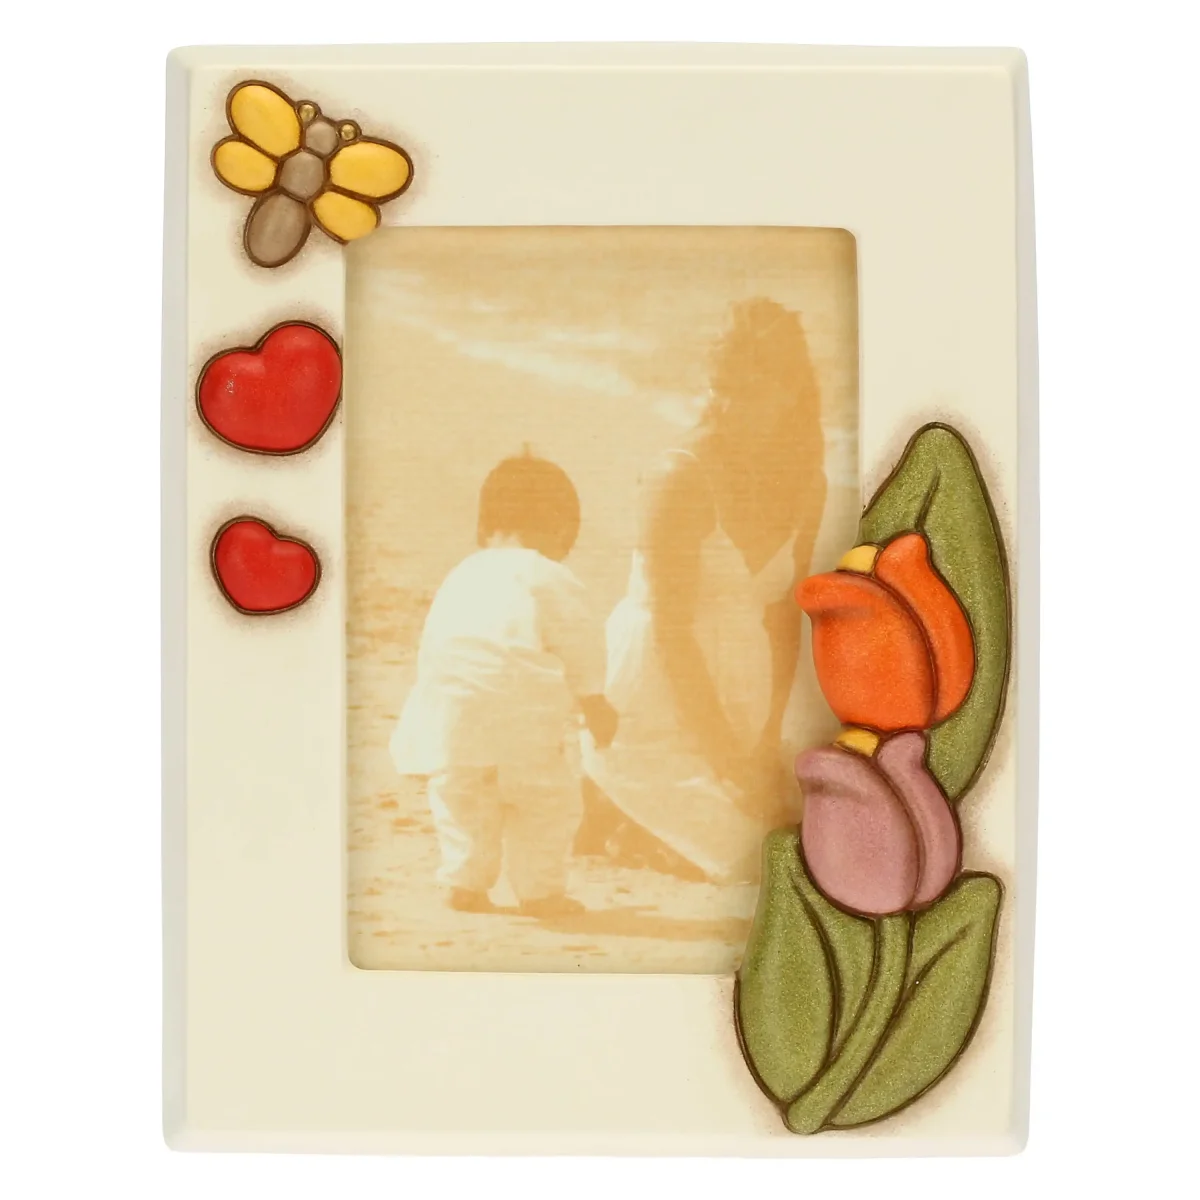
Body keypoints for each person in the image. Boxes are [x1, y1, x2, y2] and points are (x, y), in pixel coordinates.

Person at [581, 298, 827, 884]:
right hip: (653, 701)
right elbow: (671, 634)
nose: (724, 407)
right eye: (719, 388)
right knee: (758, 858)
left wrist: (764, 739)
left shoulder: (807, 484)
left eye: (747, 391)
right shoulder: (680, 477)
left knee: (810, 831)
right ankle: (614, 807)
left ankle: (622, 821)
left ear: (790, 394)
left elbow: (782, 616)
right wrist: (725, 760)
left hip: (739, 696)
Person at [390, 452, 618, 917]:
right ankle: (541, 891)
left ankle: (464, 881)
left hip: (451, 720)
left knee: (462, 800)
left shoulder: (461, 575)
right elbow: (581, 644)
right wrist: (595, 700)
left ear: (483, 527)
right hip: (523, 722)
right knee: (546, 803)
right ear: (562, 529)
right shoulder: (550, 576)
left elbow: (436, 649)